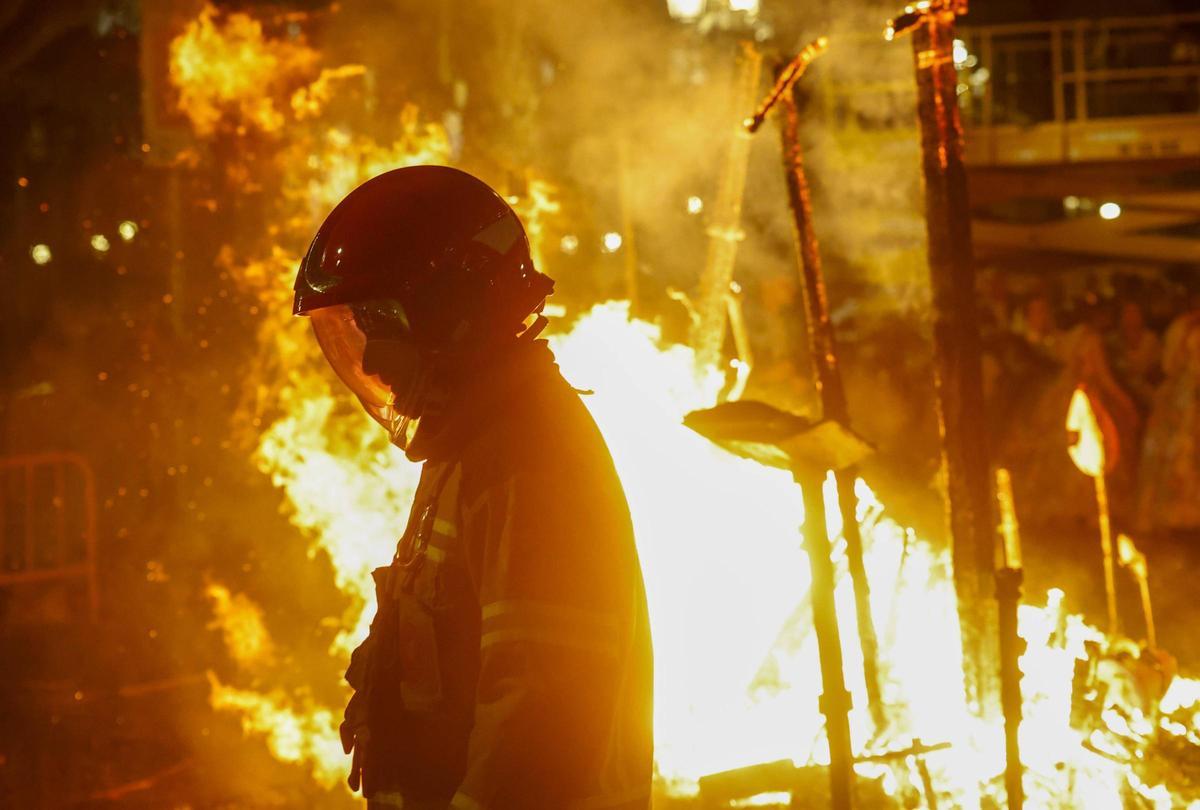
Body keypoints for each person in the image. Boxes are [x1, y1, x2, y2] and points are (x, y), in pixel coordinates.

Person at [293, 166, 654, 810]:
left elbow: (534, 741)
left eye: (382, 323)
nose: (371, 361)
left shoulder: (527, 462)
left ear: (450, 313)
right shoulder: (469, 447)